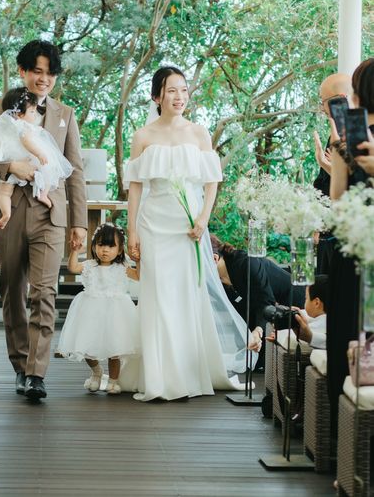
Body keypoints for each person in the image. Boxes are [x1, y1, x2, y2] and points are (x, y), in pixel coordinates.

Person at [125, 66, 251, 401]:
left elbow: (212, 181)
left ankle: (188, 370)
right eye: (171, 90)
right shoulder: (143, 136)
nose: (179, 97)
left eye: (183, 90)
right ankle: (159, 377)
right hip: (154, 223)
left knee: (185, 293)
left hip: (188, 226)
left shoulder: (199, 133)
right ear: (157, 96)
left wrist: (203, 218)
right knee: (157, 294)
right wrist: (131, 230)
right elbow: (135, 187)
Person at [0, 40, 87, 401]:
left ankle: (36, 373)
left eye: (50, 73)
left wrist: (79, 222)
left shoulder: (66, 114)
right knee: (12, 289)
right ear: (23, 71)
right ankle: (20, 365)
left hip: (49, 214)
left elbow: (75, 170)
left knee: (45, 292)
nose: (44, 78)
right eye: (37, 71)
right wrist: (12, 166)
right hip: (8, 212)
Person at [327, 58, 374, 436]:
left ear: (357, 95)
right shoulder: (346, 140)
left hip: (353, 252)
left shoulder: (347, 137)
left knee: (346, 336)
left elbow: (338, 202)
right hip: (359, 250)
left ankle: (342, 441)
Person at [0, 86, 73, 229]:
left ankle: (6, 214)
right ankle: (43, 194)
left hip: (7, 157)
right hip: (23, 160)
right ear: (19, 114)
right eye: (32, 111)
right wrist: (39, 153)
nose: (35, 114)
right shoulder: (25, 127)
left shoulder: (4, 122)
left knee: (4, 193)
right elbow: (27, 142)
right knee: (49, 169)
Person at [56, 224, 140, 395]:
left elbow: (138, 276)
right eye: (100, 245)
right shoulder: (90, 265)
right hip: (91, 313)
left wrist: (138, 260)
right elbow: (73, 268)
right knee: (87, 348)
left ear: (120, 249)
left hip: (116, 314)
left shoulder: (122, 267)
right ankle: (96, 372)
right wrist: (74, 252)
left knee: (115, 350)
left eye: (111, 246)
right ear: (94, 246)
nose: (105, 250)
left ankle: (113, 381)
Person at [209, 235, 305, 355]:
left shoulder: (246, 263)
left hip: (292, 303)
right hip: (265, 314)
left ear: (214, 258)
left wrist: (258, 331)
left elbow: (265, 301)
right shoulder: (219, 281)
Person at [312, 73, 353, 273]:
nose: (322, 109)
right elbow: (322, 182)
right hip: (327, 231)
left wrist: (327, 165)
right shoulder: (334, 135)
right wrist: (317, 223)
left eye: (324, 102)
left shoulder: (362, 134)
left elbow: (356, 185)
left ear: (341, 99)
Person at [293, 275, 329, 350]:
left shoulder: (314, 329)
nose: (305, 301)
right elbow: (306, 314)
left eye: (306, 298)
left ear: (316, 303)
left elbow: (291, 335)